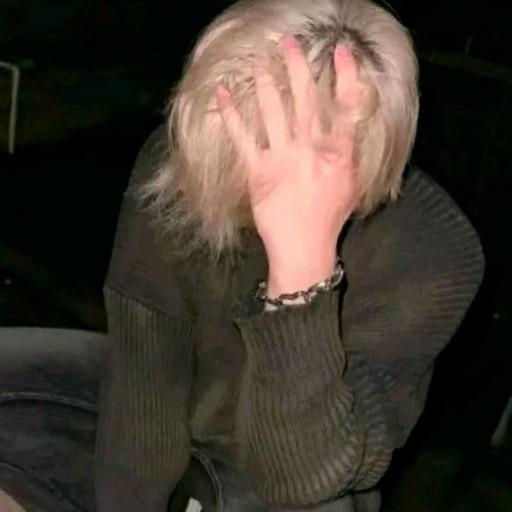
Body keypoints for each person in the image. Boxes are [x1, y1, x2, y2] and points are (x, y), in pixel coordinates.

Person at [95, 0, 485, 511]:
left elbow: (305, 478)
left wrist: (300, 271)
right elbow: (142, 385)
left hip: (303, 461)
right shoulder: (177, 162)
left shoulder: (434, 249)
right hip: (179, 415)